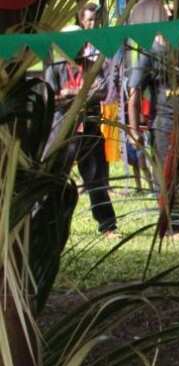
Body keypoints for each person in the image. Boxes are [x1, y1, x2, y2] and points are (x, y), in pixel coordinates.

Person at [45, 20, 118, 236]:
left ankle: (108, 225)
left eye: (79, 42)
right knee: (56, 179)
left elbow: (102, 91)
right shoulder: (55, 68)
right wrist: (80, 94)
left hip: (90, 130)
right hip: (63, 133)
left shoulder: (92, 65)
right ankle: (50, 224)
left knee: (97, 181)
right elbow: (50, 98)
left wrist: (71, 94)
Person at [126, 0, 179, 221]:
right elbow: (134, 94)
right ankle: (170, 222)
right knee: (165, 176)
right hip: (163, 125)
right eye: (167, 14)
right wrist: (133, 131)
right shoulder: (149, 52)